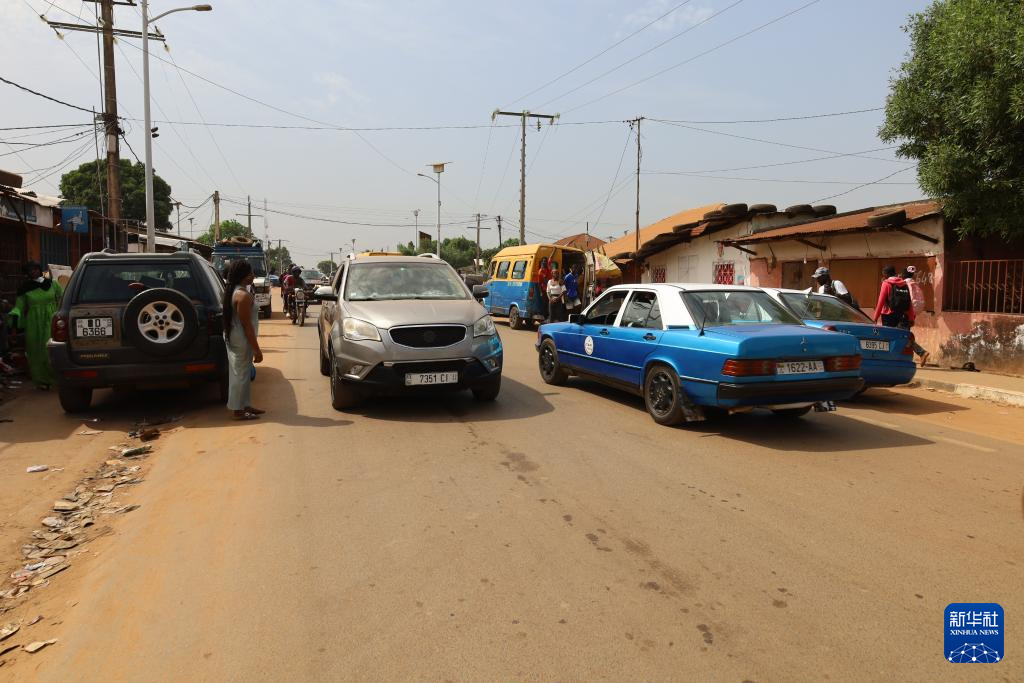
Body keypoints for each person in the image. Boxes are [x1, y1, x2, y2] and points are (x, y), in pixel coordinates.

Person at [9, 262, 63, 389]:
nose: (33, 271)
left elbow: (62, 299)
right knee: (35, 351)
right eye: (29, 270)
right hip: (33, 323)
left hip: (51, 320)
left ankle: (55, 379)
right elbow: (18, 308)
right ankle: (41, 381)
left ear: (39, 269)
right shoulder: (24, 288)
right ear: (27, 273)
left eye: (34, 269)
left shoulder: (53, 283)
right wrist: (13, 327)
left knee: (49, 350)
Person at [222, 260, 264, 420]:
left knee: (243, 372)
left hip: (236, 336)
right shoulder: (243, 296)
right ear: (243, 275)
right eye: (250, 273)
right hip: (241, 338)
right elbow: (246, 325)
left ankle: (245, 405)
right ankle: (238, 410)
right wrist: (257, 350)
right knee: (240, 374)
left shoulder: (234, 291)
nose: (253, 276)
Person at [902, 266, 930, 366]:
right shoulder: (915, 284)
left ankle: (922, 352)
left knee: (902, 337)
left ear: (903, 275)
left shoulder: (904, 284)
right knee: (905, 336)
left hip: (904, 314)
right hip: (912, 314)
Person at [873, 265, 915, 329]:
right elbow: (909, 302)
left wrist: (875, 317)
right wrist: (911, 318)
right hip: (901, 314)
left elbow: (881, 302)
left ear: (886, 274)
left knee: (888, 334)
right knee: (898, 334)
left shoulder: (886, 284)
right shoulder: (904, 284)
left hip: (888, 315)